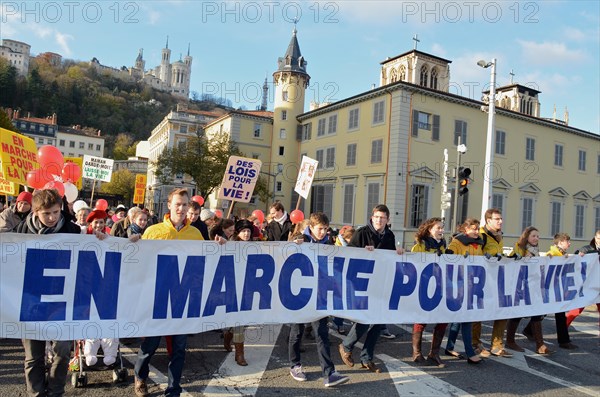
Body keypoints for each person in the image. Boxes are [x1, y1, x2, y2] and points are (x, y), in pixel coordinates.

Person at [15, 189, 86, 397]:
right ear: (36, 212)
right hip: (31, 303)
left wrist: (100, 238)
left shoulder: (72, 231)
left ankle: (56, 392)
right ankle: (36, 393)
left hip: (61, 302)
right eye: (47, 213)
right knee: (33, 357)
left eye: (56, 212)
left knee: (62, 352)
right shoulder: (20, 232)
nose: (52, 217)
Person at [133, 188, 204, 397]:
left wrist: (221, 247)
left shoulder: (196, 234)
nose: (181, 209)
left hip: (182, 299)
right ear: (169, 205)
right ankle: (140, 375)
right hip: (157, 298)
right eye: (178, 204)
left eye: (185, 205)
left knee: (180, 348)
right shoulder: (153, 231)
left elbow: (205, 263)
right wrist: (133, 246)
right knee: (150, 345)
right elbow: (140, 264)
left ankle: (174, 389)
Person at [338, 204, 404, 373]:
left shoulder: (390, 236)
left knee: (378, 321)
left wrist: (398, 253)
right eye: (376, 217)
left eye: (382, 218)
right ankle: (346, 346)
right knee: (365, 318)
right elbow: (349, 254)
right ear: (371, 217)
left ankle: (367, 357)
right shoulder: (361, 233)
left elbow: (389, 259)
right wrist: (362, 251)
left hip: (380, 282)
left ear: (387, 220)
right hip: (362, 283)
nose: (379, 220)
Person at [288, 212, 349, 387]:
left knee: (321, 333)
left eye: (325, 229)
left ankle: (329, 373)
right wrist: (293, 246)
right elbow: (285, 256)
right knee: (297, 331)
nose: (322, 232)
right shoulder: (300, 239)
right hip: (299, 293)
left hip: (319, 294)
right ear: (311, 227)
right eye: (320, 229)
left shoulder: (328, 243)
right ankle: (295, 365)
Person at [505, 226, 552, 354]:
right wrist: (523, 258)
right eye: (533, 236)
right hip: (520, 286)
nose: (536, 238)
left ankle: (540, 344)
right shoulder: (518, 247)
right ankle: (510, 341)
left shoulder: (536, 249)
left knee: (537, 312)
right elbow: (510, 262)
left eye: (538, 236)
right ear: (527, 237)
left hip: (533, 285)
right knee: (518, 314)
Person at [444, 218, 484, 364]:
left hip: (471, 284)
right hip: (458, 285)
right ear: (465, 230)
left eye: (477, 228)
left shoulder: (478, 244)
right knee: (466, 318)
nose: (476, 231)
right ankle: (470, 352)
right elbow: (449, 259)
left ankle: (449, 347)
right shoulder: (456, 243)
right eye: (473, 228)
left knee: (457, 319)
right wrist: (459, 258)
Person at [410, 217, 448, 367]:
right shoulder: (421, 244)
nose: (441, 230)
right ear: (429, 229)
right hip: (424, 285)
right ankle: (417, 354)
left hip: (438, 284)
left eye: (442, 228)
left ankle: (434, 353)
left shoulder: (443, 244)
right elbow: (412, 262)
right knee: (422, 318)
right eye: (438, 228)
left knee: (443, 318)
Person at [473, 208, 509, 358]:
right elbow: (475, 255)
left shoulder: (499, 236)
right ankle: (475, 343)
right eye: (497, 219)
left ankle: (497, 345)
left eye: (501, 219)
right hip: (482, 279)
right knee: (478, 311)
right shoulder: (481, 236)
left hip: (497, 279)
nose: (500, 221)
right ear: (488, 221)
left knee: (502, 309)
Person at [221, 219, 256, 366]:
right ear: (238, 232)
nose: (246, 234)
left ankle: (227, 334)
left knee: (244, 320)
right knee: (239, 320)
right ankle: (239, 354)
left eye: (248, 231)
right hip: (232, 287)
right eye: (243, 231)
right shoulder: (230, 245)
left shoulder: (255, 246)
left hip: (248, 287)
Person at [546, 233, 578, 349]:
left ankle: (529, 330)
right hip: (552, 289)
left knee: (548, 313)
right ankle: (564, 341)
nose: (569, 244)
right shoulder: (552, 255)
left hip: (557, 289)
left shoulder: (562, 255)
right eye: (567, 242)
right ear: (560, 243)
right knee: (558, 314)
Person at [566, 230, 600, 327]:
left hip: (599, 285)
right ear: (595, 238)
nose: (599, 241)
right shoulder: (586, 249)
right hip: (587, 285)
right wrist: (579, 254)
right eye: (598, 239)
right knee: (577, 309)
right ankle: (563, 331)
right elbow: (575, 259)